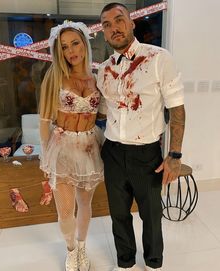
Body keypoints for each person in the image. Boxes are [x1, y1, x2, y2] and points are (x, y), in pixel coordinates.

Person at [97, 3, 185, 271]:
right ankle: (126, 264)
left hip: (146, 153)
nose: (114, 28)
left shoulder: (159, 58)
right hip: (112, 152)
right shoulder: (102, 70)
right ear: (103, 32)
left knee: (151, 215)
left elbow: (177, 110)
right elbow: (101, 111)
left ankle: (153, 264)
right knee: (119, 215)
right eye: (107, 25)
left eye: (119, 20)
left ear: (132, 23)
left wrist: (175, 154)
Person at [39, 20, 104, 271]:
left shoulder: (96, 77)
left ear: (85, 44)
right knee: (66, 211)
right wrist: (46, 157)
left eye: (75, 43)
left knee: (85, 203)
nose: (71, 51)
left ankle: (83, 246)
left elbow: (104, 112)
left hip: (89, 147)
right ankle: (70, 250)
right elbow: (44, 121)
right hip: (62, 149)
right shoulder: (54, 76)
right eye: (64, 47)